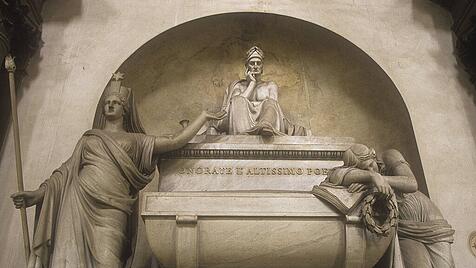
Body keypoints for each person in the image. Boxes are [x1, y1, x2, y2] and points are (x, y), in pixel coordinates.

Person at [11, 73, 226, 268]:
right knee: (69, 259)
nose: (110, 105)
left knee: (109, 261)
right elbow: (64, 173)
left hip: (113, 208)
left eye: (116, 102)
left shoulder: (137, 141)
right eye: (107, 103)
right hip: (78, 200)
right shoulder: (90, 138)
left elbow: (175, 141)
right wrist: (36, 195)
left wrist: (203, 117)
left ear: (125, 109)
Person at [325, 144, 455, 267]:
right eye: (365, 169)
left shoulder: (390, 156)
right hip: (402, 227)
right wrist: (371, 177)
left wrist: (378, 179)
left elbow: (411, 183)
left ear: (373, 156)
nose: (371, 169)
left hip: (430, 222)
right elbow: (334, 175)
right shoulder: (365, 176)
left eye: (371, 164)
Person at [213, 46, 309, 136]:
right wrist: (252, 84)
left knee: (270, 102)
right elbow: (233, 108)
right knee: (237, 100)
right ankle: (244, 135)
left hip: (266, 123)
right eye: (252, 63)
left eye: (258, 63)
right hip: (242, 124)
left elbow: (274, 106)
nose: (255, 66)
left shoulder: (270, 85)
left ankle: (265, 126)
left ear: (262, 67)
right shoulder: (238, 86)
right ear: (247, 67)